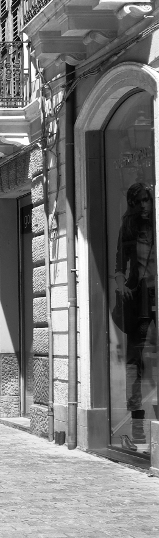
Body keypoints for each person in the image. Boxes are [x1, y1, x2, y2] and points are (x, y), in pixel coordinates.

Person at [114, 182, 158, 450]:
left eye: (147, 200)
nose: (144, 205)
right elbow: (119, 265)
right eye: (139, 201)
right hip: (138, 298)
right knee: (134, 362)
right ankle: (138, 427)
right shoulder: (128, 227)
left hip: (156, 295)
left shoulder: (156, 224)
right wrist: (122, 286)